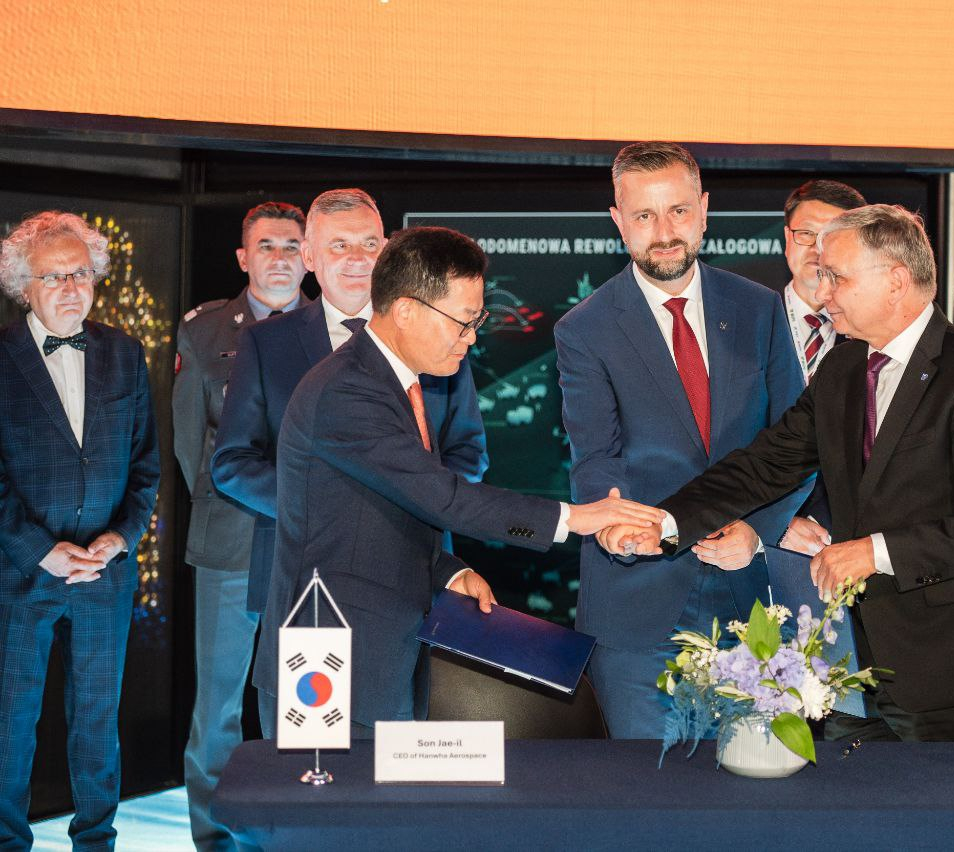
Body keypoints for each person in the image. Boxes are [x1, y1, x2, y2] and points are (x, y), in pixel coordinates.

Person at [608, 204, 954, 742]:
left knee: (941, 826)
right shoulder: (842, 367)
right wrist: (668, 522)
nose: (822, 290)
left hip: (953, 665)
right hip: (854, 664)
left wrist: (874, 551)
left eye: (837, 276)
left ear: (896, 282)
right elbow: (765, 464)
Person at [253, 226, 664, 733]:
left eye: (477, 321)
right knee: (328, 810)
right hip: (329, 660)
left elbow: (377, 516)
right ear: (405, 311)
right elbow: (442, 498)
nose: (471, 338)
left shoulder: (390, 383)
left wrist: (446, 571)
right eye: (463, 322)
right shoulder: (347, 392)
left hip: (376, 654)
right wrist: (576, 517)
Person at [211, 189, 488, 735]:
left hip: (424, 579)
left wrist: (416, 497)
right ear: (309, 257)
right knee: (313, 769)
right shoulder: (266, 344)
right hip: (311, 586)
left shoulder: (436, 333)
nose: (358, 258)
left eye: (368, 243)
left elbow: (470, 454)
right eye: (339, 246)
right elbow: (232, 463)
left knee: (407, 761)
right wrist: (322, 499)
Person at [555, 142, 809, 738]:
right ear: (618, 222)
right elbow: (594, 457)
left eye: (677, 211)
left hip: (751, 602)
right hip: (638, 607)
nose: (663, 232)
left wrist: (758, 531)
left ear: (704, 210)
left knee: (757, 805)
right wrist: (616, 531)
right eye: (643, 216)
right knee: (647, 808)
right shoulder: (584, 329)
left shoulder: (759, 309)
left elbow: (799, 442)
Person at [0, 212, 160, 848]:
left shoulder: (125, 351)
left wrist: (121, 537)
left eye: (81, 273)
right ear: (24, 285)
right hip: (18, 575)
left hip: (105, 574)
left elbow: (146, 464)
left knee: (96, 721)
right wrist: (41, 552)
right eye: (54, 276)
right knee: (11, 724)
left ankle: (97, 841)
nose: (71, 287)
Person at [172, 201, 307, 851]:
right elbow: (188, 448)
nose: (279, 259)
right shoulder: (203, 332)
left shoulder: (337, 326)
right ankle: (216, 841)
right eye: (267, 246)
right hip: (229, 538)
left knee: (303, 704)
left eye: (291, 245)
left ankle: (291, 832)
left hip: (311, 545)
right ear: (242, 257)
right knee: (220, 707)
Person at [776, 179, 866, 557]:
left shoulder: (877, 338)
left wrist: (826, 526)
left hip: (851, 549)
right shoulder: (742, 324)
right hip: (750, 545)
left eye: (831, 237)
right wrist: (776, 520)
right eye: (806, 234)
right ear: (786, 238)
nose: (816, 249)